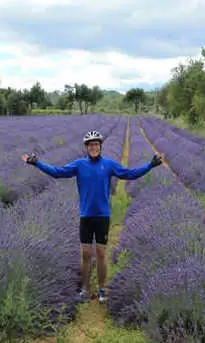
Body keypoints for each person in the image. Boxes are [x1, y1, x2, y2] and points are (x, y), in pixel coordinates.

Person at [21, 130, 164, 303]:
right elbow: (57, 172)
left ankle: (102, 289)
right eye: (90, 145)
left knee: (102, 253)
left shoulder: (109, 164)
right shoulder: (79, 165)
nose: (93, 147)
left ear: (100, 146)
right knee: (86, 254)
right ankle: (85, 289)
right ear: (86, 148)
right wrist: (37, 163)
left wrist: (150, 165)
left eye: (96, 144)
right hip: (86, 216)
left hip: (102, 216)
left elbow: (129, 174)